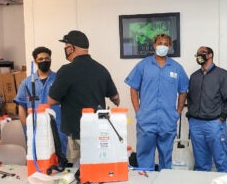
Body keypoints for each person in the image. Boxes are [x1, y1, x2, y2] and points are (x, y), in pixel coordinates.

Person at [48, 30, 120, 164]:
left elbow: (51, 100)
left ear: (71, 48)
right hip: (98, 131)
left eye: (66, 48)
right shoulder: (101, 69)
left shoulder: (66, 70)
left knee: (77, 172)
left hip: (76, 133)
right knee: (96, 167)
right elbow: (115, 98)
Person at [125, 33, 189, 170]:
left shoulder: (176, 68)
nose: (162, 46)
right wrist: (138, 111)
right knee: (144, 155)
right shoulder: (143, 65)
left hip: (167, 120)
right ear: (154, 45)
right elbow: (133, 88)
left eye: (166, 44)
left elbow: (183, 91)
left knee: (166, 157)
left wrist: (177, 112)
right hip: (146, 120)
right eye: (160, 43)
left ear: (170, 47)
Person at [187, 46, 227, 172]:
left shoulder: (222, 74)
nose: (200, 55)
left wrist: (222, 117)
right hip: (196, 124)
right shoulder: (194, 76)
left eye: (203, 53)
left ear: (210, 55)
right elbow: (191, 98)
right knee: (200, 161)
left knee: (220, 158)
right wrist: (191, 117)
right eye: (198, 53)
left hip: (214, 123)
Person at [14, 46, 67, 155]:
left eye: (47, 58)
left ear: (51, 59)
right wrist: (26, 126)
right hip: (35, 129)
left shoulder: (59, 80)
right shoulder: (27, 83)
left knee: (60, 160)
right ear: (35, 61)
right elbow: (21, 106)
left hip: (57, 128)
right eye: (41, 59)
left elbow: (68, 103)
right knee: (38, 159)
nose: (44, 61)